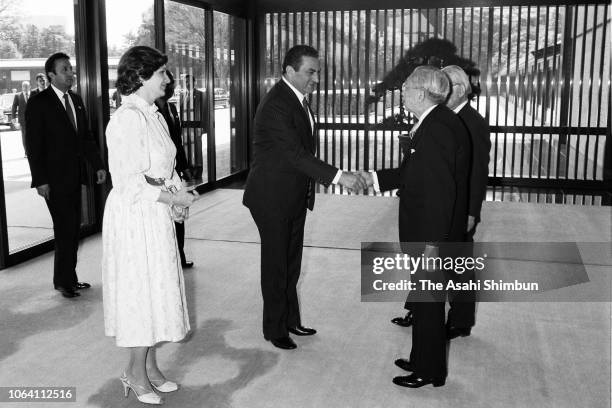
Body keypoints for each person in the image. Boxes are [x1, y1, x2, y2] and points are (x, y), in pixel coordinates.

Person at [243, 45, 367, 350]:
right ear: (289, 71)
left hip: (293, 195)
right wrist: (341, 176)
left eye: (318, 71)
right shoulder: (276, 104)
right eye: (311, 72)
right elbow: (296, 155)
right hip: (271, 198)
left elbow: (300, 155)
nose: (317, 78)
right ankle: (275, 328)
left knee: (291, 263)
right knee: (276, 266)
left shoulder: (297, 100)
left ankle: (290, 319)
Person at [361, 65, 470, 388]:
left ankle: (429, 370)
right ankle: (422, 357)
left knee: (429, 305)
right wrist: (375, 178)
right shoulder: (436, 122)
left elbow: (439, 192)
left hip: (430, 234)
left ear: (421, 93)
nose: (402, 91)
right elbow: (416, 173)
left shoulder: (436, 128)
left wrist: (433, 245)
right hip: (429, 232)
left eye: (406, 87)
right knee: (425, 305)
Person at [102, 45, 198, 405]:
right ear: (141, 76)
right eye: (162, 73)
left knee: (157, 292)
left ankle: (150, 369)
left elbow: (164, 169)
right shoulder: (127, 119)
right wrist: (173, 198)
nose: (168, 79)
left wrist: (178, 196)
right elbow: (129, 182)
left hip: (153, 213)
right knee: (141, 294)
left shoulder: (153, 114)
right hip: (133, 217)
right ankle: (133, 373)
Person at [25, 52, 106, 299]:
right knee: (65, 228)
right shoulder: (39, 103)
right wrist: (40, 180)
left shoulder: (76, 100)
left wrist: (98, 165)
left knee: (71, 228)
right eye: (65, 69)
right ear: (51, 75)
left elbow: (86, 138)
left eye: (71, 68)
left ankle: (69, 278)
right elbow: (33, 145)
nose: (71, 73)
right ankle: (63, 281)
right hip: (53, 179)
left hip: (76, 176)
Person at [442, 65, 491, 339]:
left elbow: (478, 172)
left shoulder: (473, 122)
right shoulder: (447, 118)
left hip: (462, 209)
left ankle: (461, 321)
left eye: (445, 87)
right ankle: (419, 309)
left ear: (460, 90)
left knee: (458, 266)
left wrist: (472, 212)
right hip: (445, 205)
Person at [155, 70, 194, 268]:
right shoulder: (151, 110)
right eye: (166, 81)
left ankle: (180, 254)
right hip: (161, 175)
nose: (170, 85)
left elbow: (177, 142)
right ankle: (171, 257)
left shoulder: (171, 108)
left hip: (176, 171)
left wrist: (185, 167)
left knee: (180, 214)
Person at [12, 81, 30, 155]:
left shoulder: (33, 94)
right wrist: (13, 117)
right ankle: (26, 152)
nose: (25, 87)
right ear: (22, 87)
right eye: (24, 86)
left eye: (27, 86)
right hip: (23, 120)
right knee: (25, 136)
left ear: (29, 87)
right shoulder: (18, 95)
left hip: (34, 119)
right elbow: (14, 106)